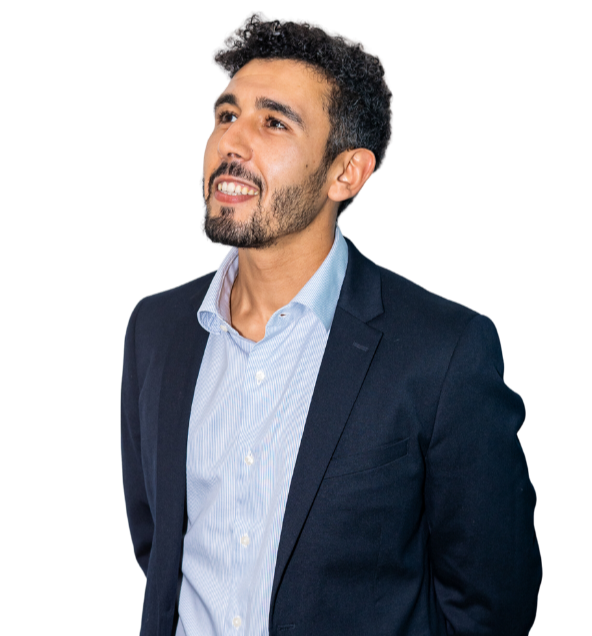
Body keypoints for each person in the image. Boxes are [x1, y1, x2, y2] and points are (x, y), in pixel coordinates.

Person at [120, 12, 541, 636]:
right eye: (226, 115)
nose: (232, 143)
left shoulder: (444, 352)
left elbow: (491, 605)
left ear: (347, 173)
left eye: (274, 122)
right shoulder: (155, 329)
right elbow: (158, 549)